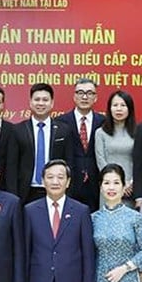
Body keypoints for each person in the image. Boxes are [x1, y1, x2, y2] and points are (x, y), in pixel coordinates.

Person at [6, 83, 74, 203]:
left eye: (45, 100)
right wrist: (13, 197)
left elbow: (69, 163)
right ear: (30, 102)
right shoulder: (17, 130)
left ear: (52, 103)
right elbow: (11, 167)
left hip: (55, 190)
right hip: (26, 192)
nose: (41, 103)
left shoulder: (64, 130)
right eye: (37, 99)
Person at [55, 78, 104, 212]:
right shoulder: (60, 122)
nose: (84, 97)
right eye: (80, 92)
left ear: (95, 98)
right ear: (74, 96)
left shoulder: (104, 122)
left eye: (89, 93)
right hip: (70, 183)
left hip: (96, 185)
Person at [94, 90, 137, 208]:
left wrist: (129, 184)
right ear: (109, 108)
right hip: (108, 186)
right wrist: (115, 183)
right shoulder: (100, 133)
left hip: (129, 189)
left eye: (123, 105)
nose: (119, 109)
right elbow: (101, 160)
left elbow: (140, 161)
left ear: (129, 109)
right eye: (115, 105)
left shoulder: (138, 133)